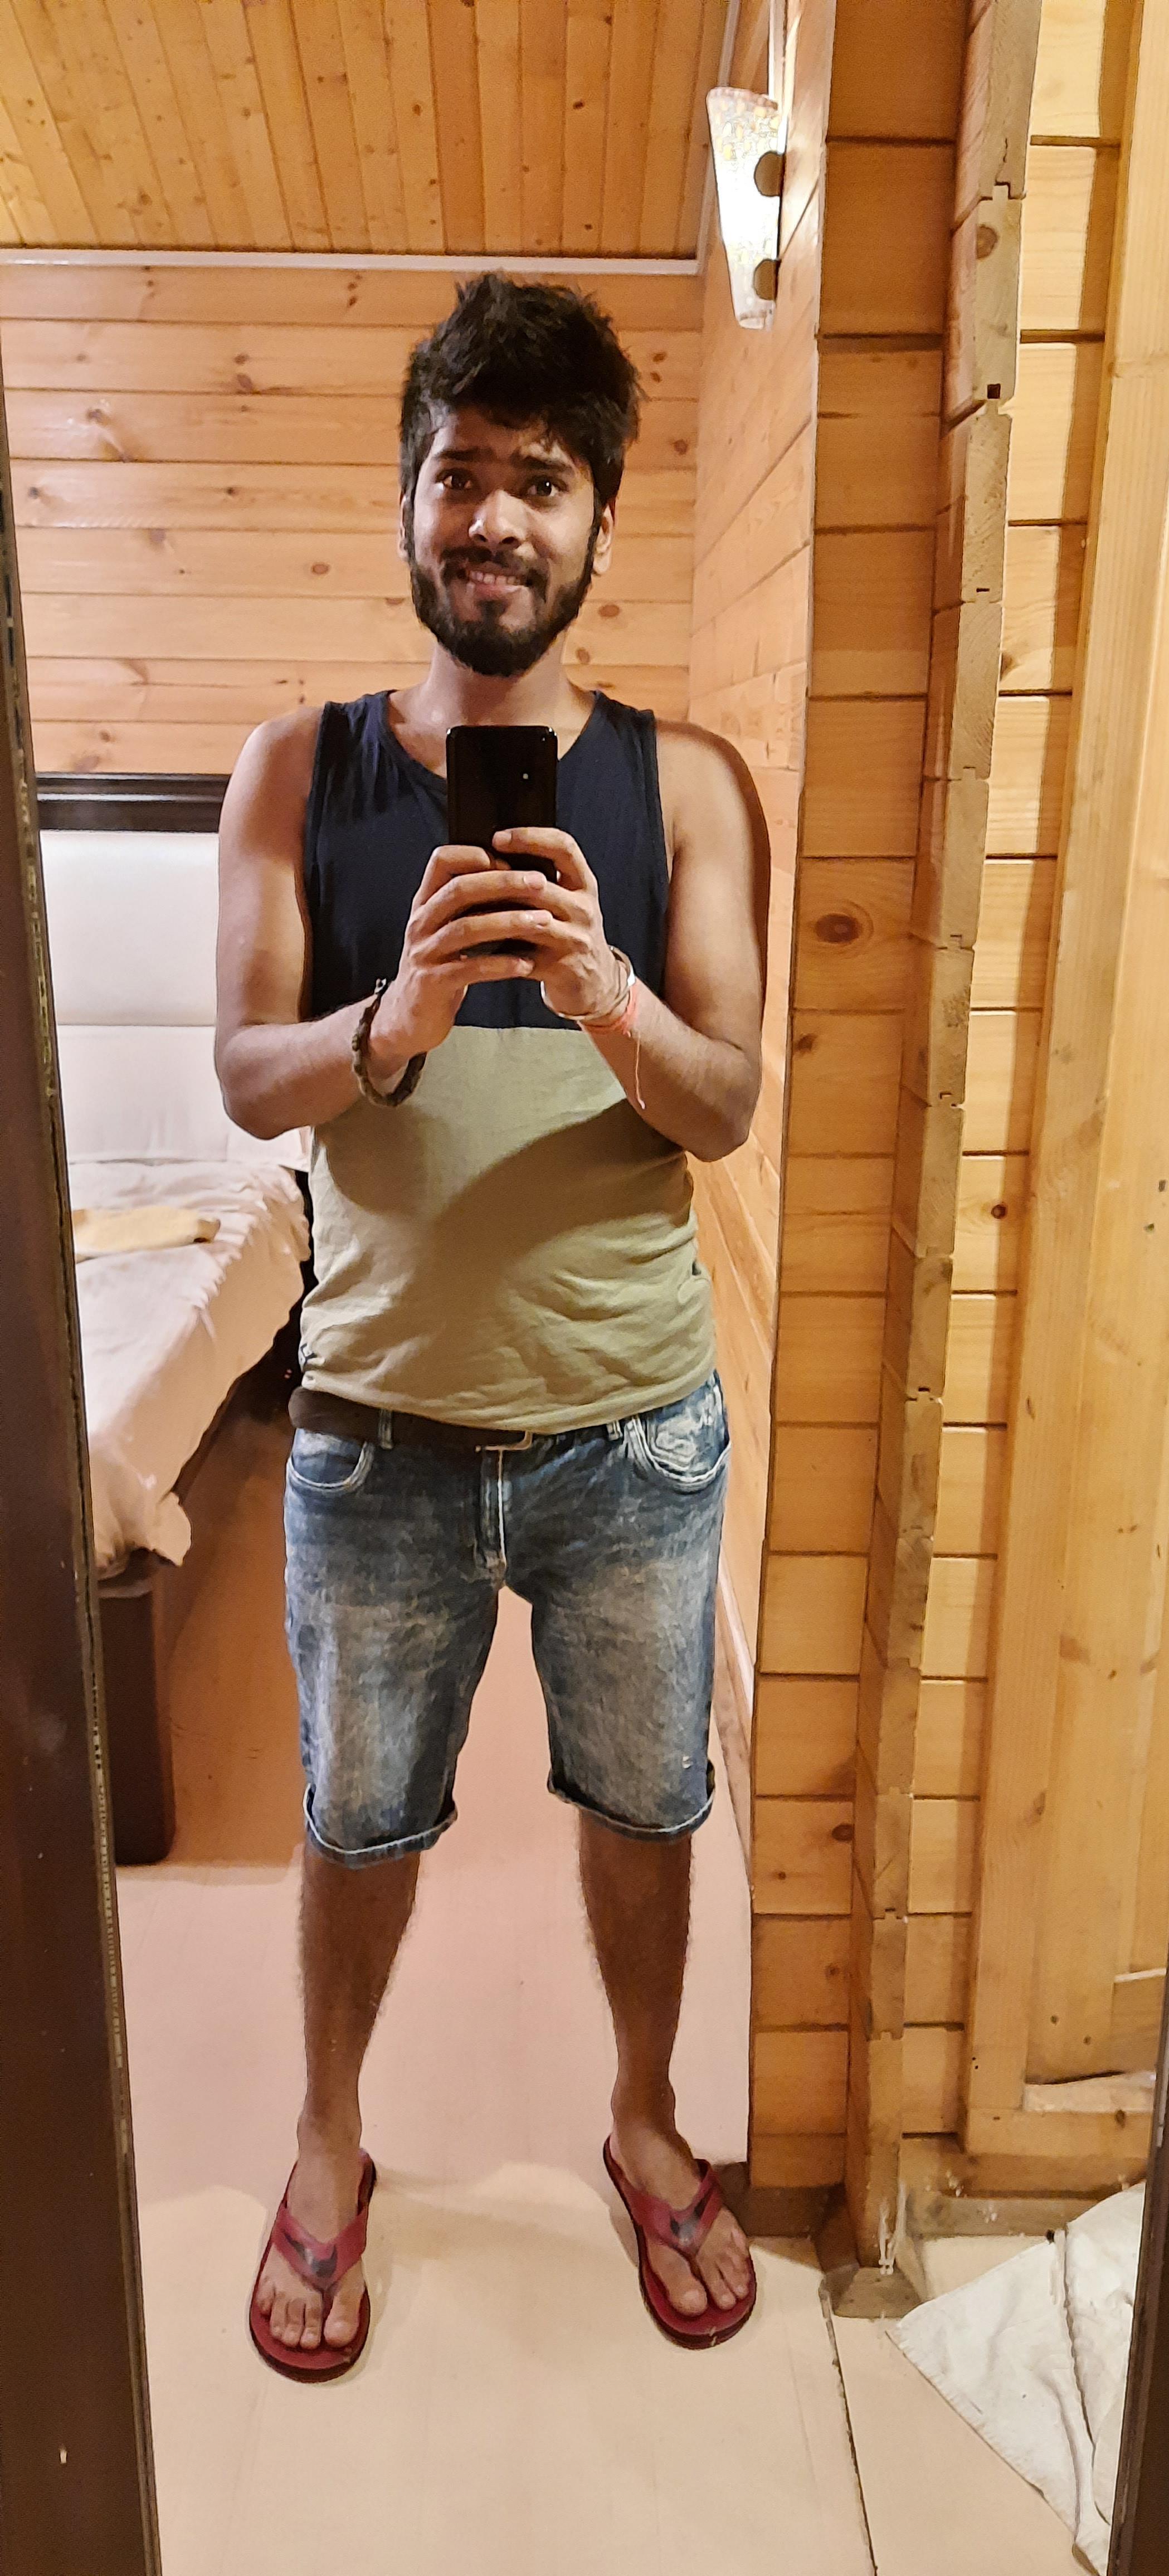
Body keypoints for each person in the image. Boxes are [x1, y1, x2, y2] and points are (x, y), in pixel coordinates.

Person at [215, 274, 769, 2377]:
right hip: (377, 1430)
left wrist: (605, 990)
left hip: (636, 1431)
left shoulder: (689, 785)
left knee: (646, 1809)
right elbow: (241, 1075)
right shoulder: (301, 770)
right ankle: (328, 2140)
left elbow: (725, 1103)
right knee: (356, 1821)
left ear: (599, 520)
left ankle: (640, 2117)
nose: (498, 518)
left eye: (545, 479)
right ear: (409, 499)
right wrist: (399, 1016)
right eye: (463, 472)